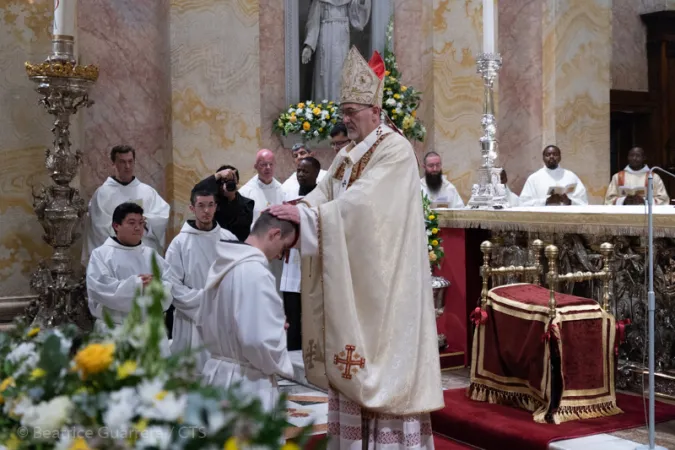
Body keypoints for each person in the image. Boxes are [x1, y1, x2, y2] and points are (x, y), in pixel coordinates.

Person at [270, 46, 443, 449]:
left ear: (375, 112)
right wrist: (296, 213)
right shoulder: (348, 156)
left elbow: (364, 206)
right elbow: (324, 195)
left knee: (381, 369)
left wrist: (311, 220)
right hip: (357, 287)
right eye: (343, 110)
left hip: (384, 290)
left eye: (352, 111)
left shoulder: (394, 150)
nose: (345, 118)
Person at [198, 212, 297, 412]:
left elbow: (203, 320)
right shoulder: (255, 272)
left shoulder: (223, 264)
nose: (280, 256)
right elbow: (257, 340)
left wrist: (271, 323)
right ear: (275, 234)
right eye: (284, 248)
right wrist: (276, 333)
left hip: (216, 374)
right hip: (246, 383)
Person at [165, 190, 237, 371]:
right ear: (192, 208)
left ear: (216, 207)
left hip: (222, 317)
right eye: (201, 205)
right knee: (192, 377)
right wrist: (206, 300)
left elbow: (239, 277)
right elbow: (171, 285)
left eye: (210, 205)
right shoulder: (179, 243)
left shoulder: (228, 239)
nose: (206, 211)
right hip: (191, 321)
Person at [86, 202, 173, 344]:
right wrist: (138, 285)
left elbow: (169, 284)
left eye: (140, 222)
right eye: (131, 223)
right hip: (115, 329)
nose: (138, 227)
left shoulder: (151, 254)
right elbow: (99, 289)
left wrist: (155, 286)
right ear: (116, 226)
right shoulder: (101, 255)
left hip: (148, 329)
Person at [82, 145, 170, 265]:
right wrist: (126, 233)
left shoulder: (147, 192)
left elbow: (162, 217)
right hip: (115, 258)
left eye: (130, 161)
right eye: (122, 162)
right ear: (113, 164)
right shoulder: (102, 194)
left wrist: (146, 221)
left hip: (143, 256)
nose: (127, 166)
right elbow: (99, 228)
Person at [280, 157, 320, 351]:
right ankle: (292, 352)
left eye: (306, 171)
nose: (301, 175)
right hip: (291, 263)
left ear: (316, 174)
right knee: (292, 312)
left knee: (312, 313)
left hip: (312, 261)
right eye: (299, 171)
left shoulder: (321, 198)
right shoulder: (288, 193)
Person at [301, 0, 371, 101]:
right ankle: (324, 109)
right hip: (326, 33)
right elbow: (313, 21)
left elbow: (357, 20)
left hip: (342, 35)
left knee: (341, 72)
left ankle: (340, 108)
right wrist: (309, 46)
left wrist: (362, 2)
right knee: (325, 72)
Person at [193, 164, 255, 241]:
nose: (227, 184)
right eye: (223, 181)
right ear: (218, 184)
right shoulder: (212, 204)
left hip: (237, 249)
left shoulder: (247, 205)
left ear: (237, 182)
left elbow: (241, 232)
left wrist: (232, 198)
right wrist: (218, 175)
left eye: (230, 181)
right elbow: (196, 192)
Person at [519, 145, 589, 206]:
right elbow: (523, 203)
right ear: (543, 158)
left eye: (555, 154)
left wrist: (569, 201)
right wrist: (546, 202)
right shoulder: (533, 178)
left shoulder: (571, 176)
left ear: (560, 157)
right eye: (548, 155)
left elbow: (583, 201)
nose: (551, 157)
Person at [605, 146, 670, 205]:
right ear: (628, 157)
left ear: (644, 158)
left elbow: (663, 200)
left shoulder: (654, 177)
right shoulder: (618, 177)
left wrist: (644, 201)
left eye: (638, 156)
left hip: (646, 215)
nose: (634, 158)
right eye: (631, 155)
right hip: (624, 213)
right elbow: (609, 199)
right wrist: (623, 200)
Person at [239, 149, 286, 225]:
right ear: (255, 166)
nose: (268, 167)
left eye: (271, 164)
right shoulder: (245, 193)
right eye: (263, 164)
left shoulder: (283, 190)